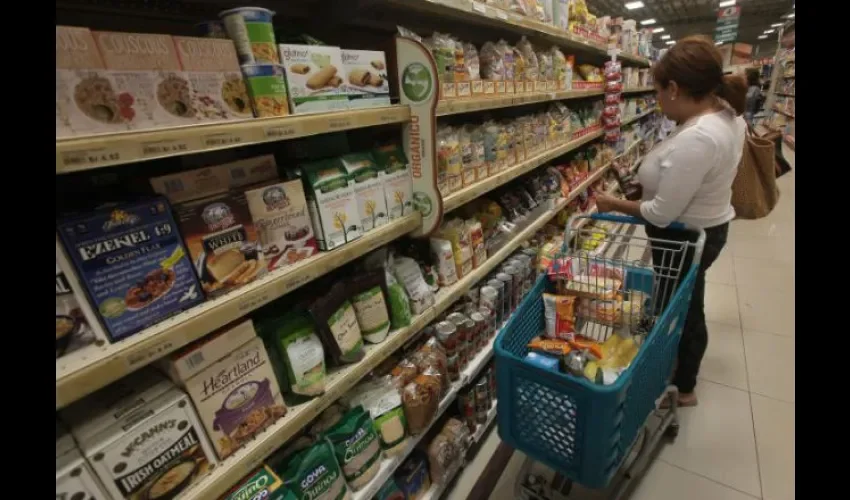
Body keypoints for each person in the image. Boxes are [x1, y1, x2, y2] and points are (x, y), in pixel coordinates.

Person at [595, 36, 747, 408]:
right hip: (704, 229)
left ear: (675, 89)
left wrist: (612, 204)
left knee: (686, 305)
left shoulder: (701, 136)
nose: (657, 100)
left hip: (684, 236)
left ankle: (683, 384)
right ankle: (676, 366)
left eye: (658, 91)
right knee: (683, 298)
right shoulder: (723, 116)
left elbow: (661, 213)